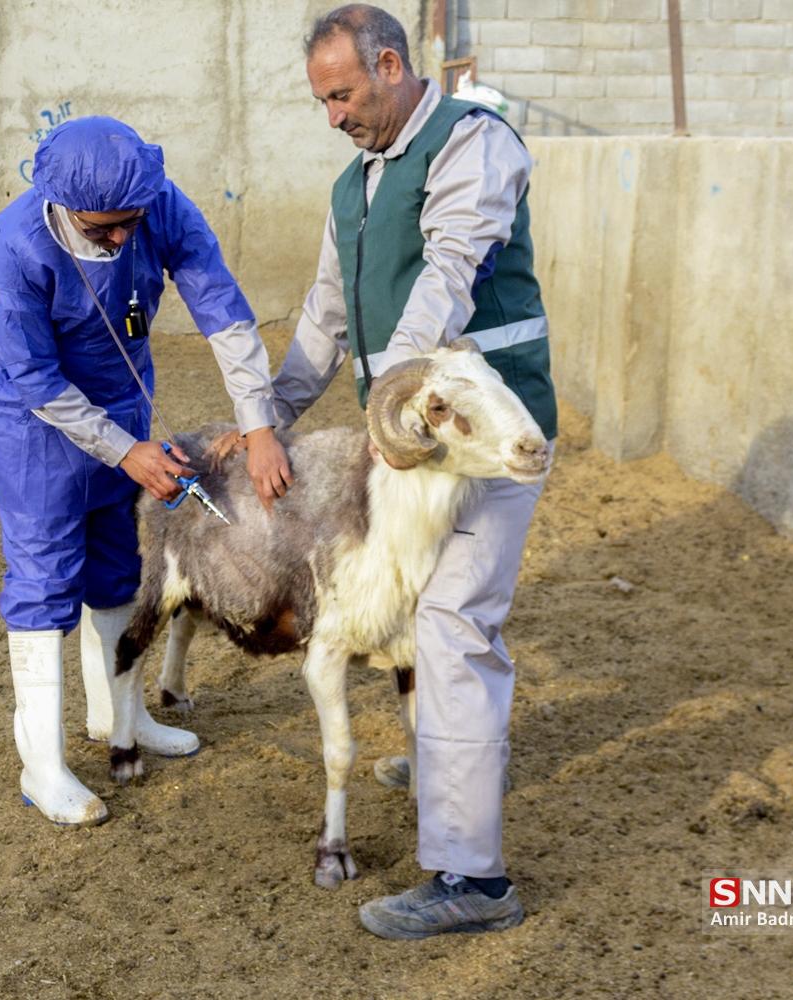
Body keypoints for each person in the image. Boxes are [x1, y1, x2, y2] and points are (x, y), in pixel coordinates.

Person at [219, 5, 558, 936]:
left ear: (391, 65)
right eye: (321, 100)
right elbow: (326, 321)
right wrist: (265, 421)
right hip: (413, 448)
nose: (332, 114)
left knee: (452, 627)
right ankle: (446, 759)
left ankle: (473, 881)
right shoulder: (353, 187)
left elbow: (449, 271)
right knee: (421, 618)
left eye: (342, 94)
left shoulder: (472, 144)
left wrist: (401, 401)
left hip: (474, 444)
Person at [0, 116, 292, 827]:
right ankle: (43, 766)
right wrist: (125, 451)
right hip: (34, 422)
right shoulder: (16, 246)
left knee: (119, 566)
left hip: (119, 397)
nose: (123, 238)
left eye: (131, 223)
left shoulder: (159, 204)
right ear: (60, 203)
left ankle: (122, 715)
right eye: (105, 227)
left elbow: (223, 313)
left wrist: (259, 423)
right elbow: (36, 377)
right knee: (45, 578)